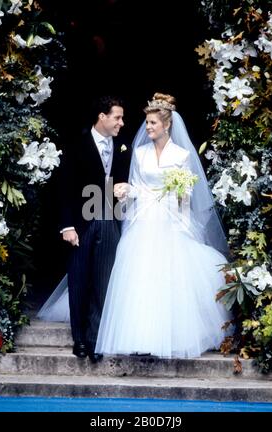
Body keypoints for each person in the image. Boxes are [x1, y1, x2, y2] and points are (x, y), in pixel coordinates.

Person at [94, 92, 232, 359]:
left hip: (170, 219)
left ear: (167, 124)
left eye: (153, 123)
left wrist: (180, 221)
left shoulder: (181, 155)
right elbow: (137, 185)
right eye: (146, 123)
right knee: (140, 276)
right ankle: (139, 334)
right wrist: (125, 190)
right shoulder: (141, 152)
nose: (148, 128)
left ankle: (173, 336)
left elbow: (186, 196)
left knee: (171, 276)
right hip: (143, 218)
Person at [37, 95, 131, 362]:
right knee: (79, 280)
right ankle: (79, 339)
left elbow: (124, 181)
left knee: (104, 282)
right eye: (117, 117)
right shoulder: (77, 144)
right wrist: (67, 226)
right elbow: (64, 188)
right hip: (81, 223)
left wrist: (125, 191)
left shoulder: (123, 146)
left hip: (110, 220)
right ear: (102, 116)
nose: (121, 123)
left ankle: (95, 339)